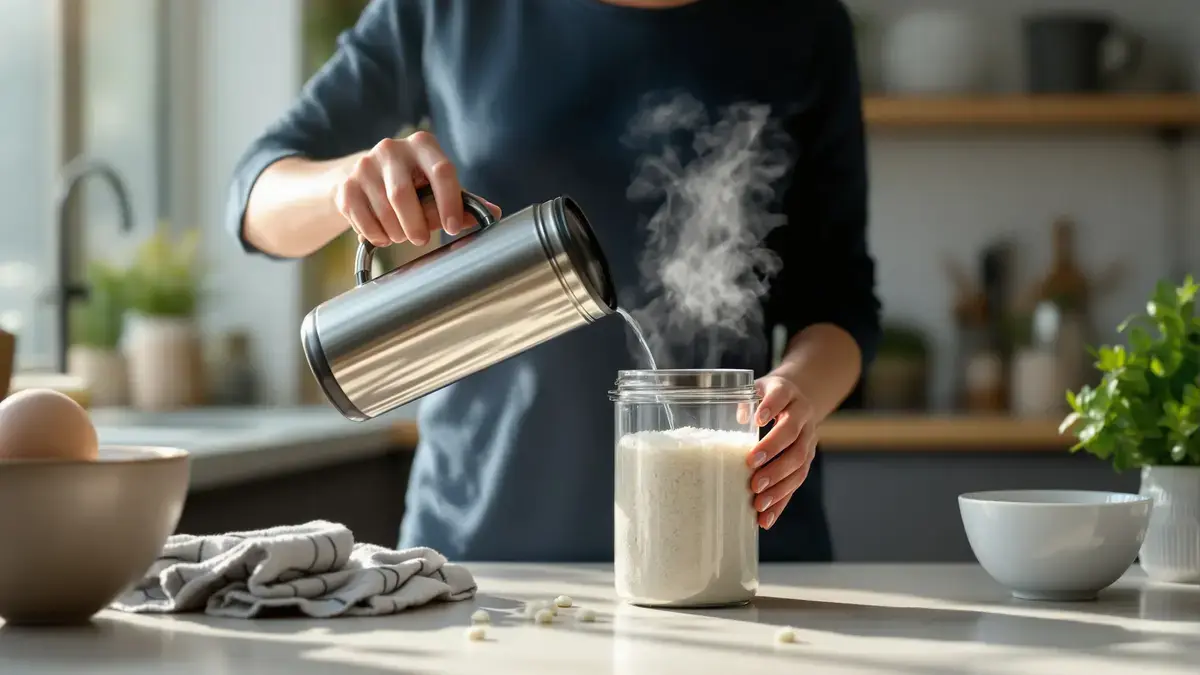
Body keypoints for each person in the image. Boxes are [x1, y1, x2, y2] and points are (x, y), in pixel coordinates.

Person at [228, 0, 881, 563]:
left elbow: (842, 300)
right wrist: (348, 185)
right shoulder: (447, 9)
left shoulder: (803, 22)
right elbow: (254, 196)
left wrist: (797, 393)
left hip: (735, 545)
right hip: (486, 549)